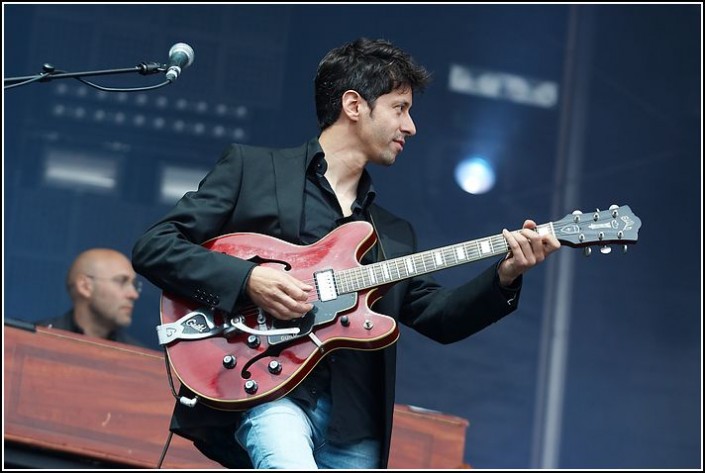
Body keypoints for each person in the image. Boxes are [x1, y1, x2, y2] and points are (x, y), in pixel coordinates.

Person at [132, 37, 561, 469]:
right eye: (400, 108)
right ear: (354, 105)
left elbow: (441, 317)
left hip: (355, 425)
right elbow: (156, 247)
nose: (411, 127)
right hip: (268, 391)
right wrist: (249, 280)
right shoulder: (254, 169)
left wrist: (505, 275)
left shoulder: (392, 234)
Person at [37, 248, 143, 346]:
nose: (134, 295)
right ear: (85, 287)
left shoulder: (141, 357)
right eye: (121, 281)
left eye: (134, 284)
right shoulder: (37, 340)